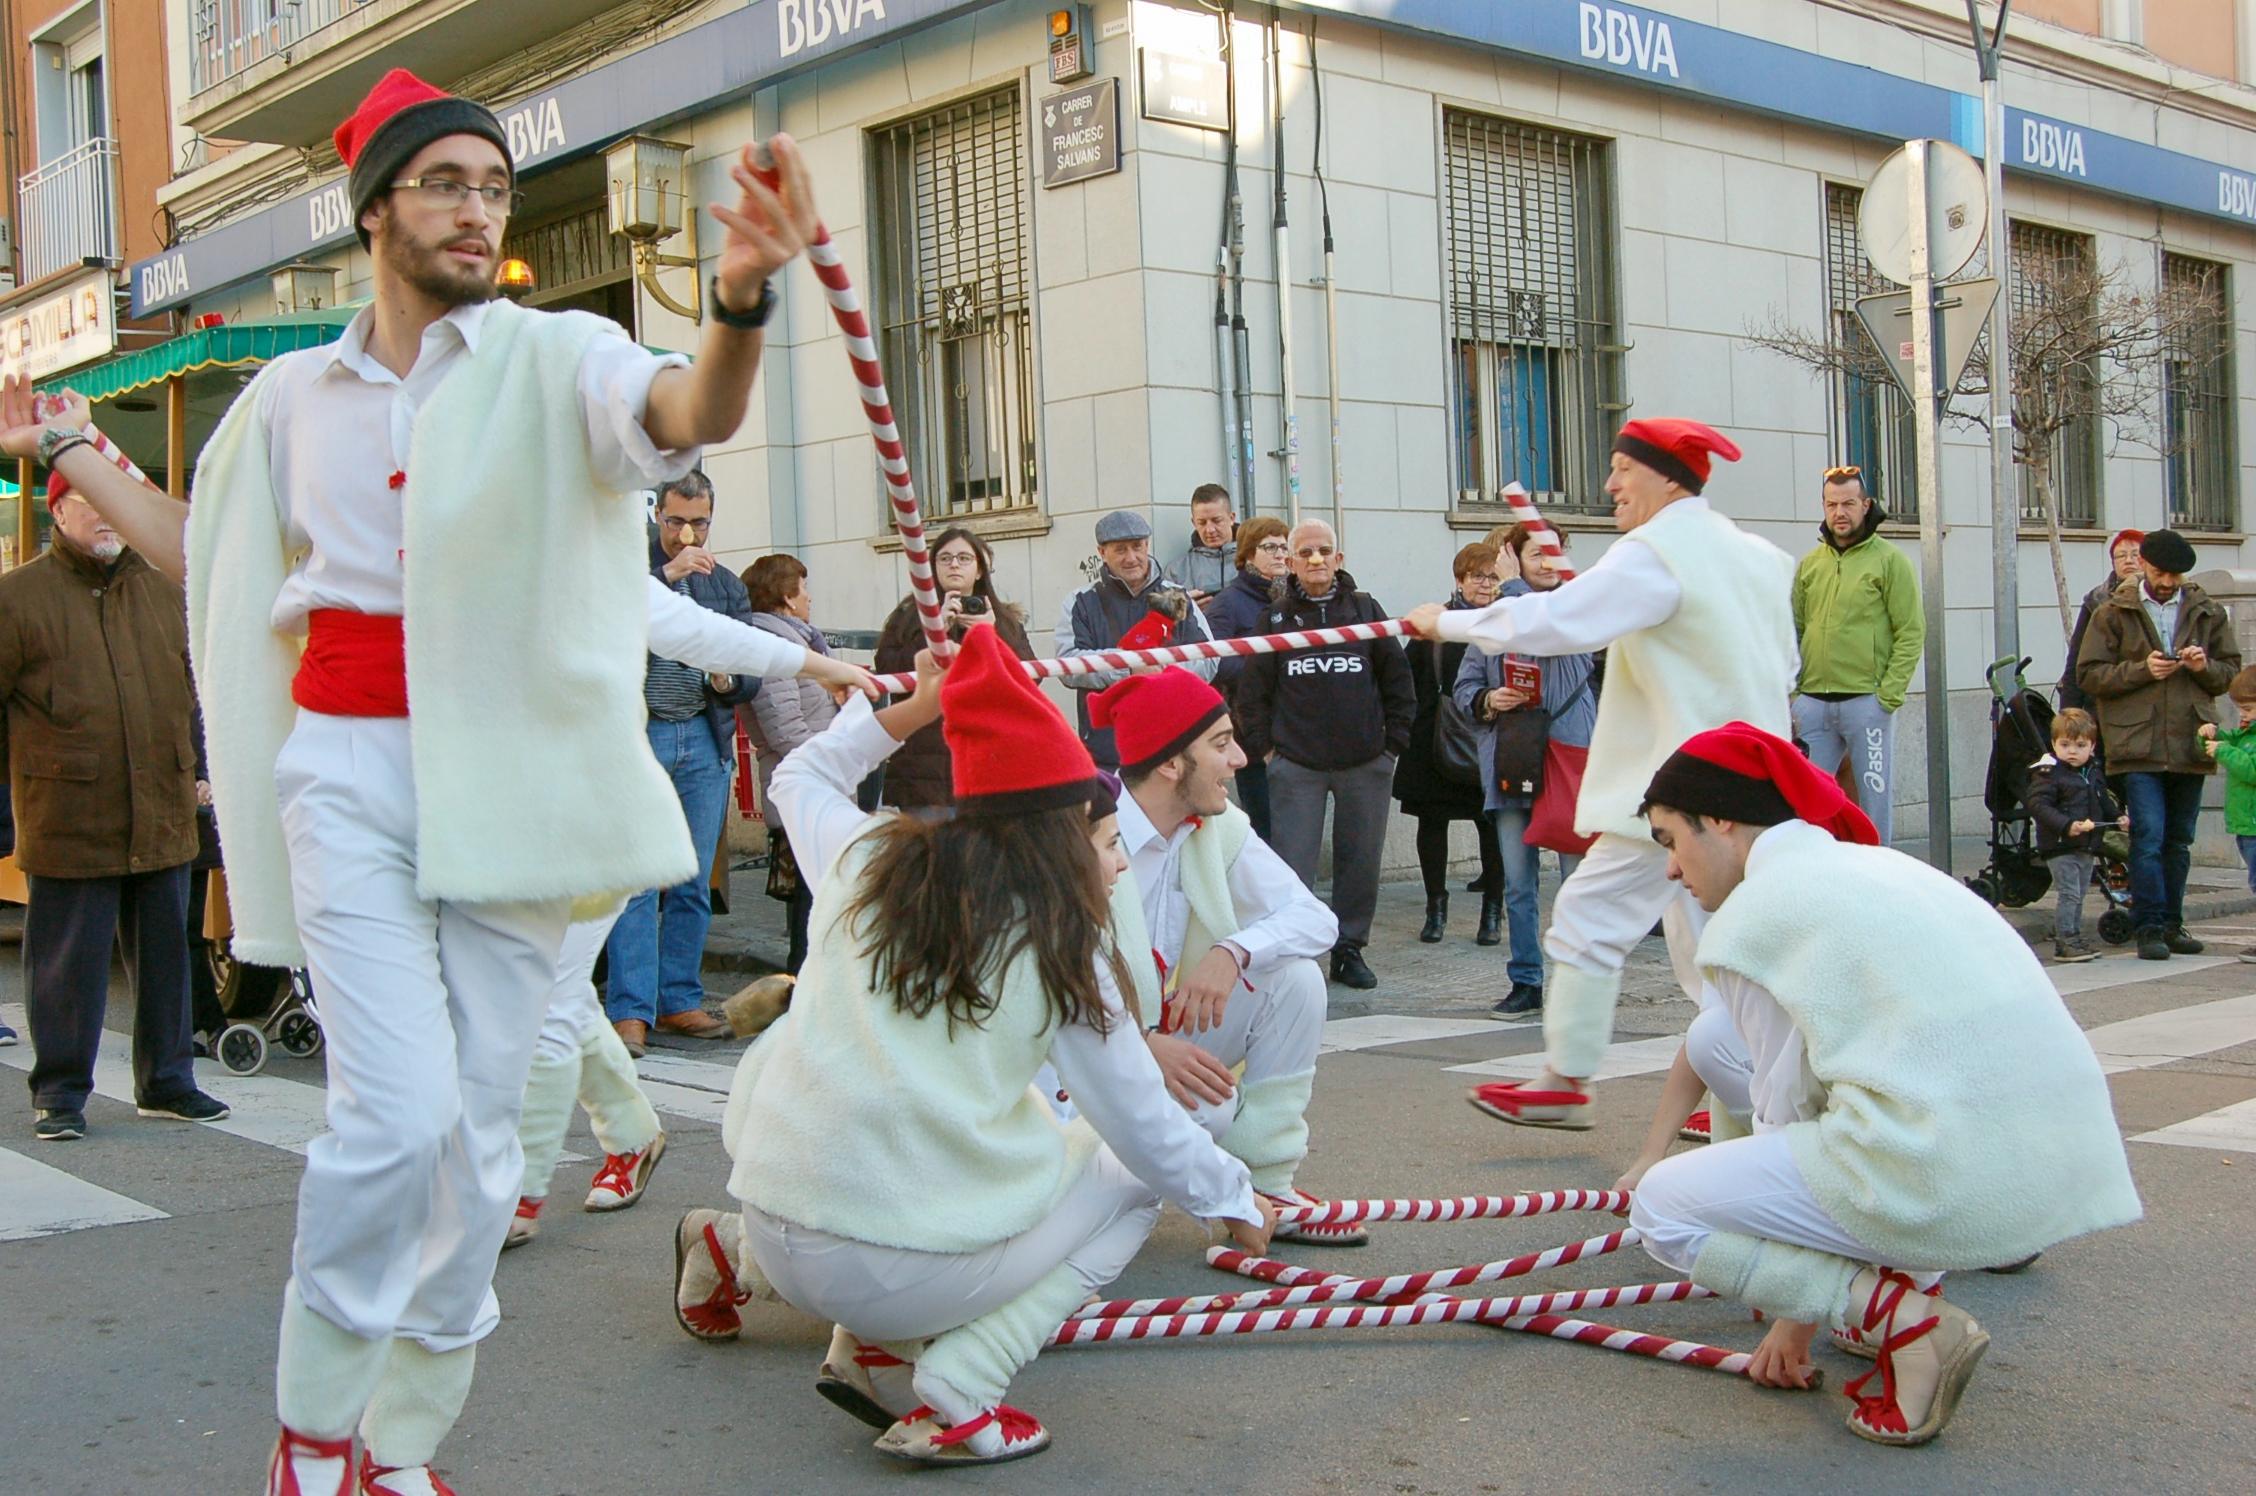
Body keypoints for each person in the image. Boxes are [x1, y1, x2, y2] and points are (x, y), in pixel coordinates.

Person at [4, 67, 821, 1495]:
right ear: (374, 205)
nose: (475, 207)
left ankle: (400, 1445)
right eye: (446, 181)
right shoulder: (286, 397)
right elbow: (213, 557)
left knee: (479, 1145)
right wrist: (74, 443)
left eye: (493, 185)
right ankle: (313, 1435)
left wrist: (742, 301)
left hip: (510, 784)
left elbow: (687, 410)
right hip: (346, 774)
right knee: (387, 1123)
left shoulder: (554, 355)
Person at [683, 625, 1275, 1466]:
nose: (1110, 862)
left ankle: (868, 1332)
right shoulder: (1065, 942)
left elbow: (800, 775)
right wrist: (1234, 1199)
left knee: (1017, 1117)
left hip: (775, 1223)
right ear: (1053, 830)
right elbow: (1140, 1120)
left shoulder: (869, 858)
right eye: (1093, 830)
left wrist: (914, 708)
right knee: (1131, 1173)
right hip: (893, 1266)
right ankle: (968, 1383)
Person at [1614, 724, 2141, 1446]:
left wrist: (1796, 1315)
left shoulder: (1760, 915)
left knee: (1663, 1208)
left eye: (1670, 838)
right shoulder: (1883, 868)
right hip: (2042, 1168)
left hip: (1947, 1179)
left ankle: (1912, 1325)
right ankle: (1903, 1290)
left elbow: (1787, 1115)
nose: (1671, 869)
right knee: (1732, 1049)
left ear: (1721, 819)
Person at [1405, 418, 1798, 1129]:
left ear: (1666, 477)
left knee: (1602, 923)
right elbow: (1785, 666)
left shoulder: (1653, 554)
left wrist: (1451, 623)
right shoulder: (1760, 556)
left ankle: (1577, 1079)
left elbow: (1559, 623)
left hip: (1687, 788)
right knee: (1713, 953)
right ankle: (1735, 1095)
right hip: (1754, 782)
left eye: (1622, 468)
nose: (1611, 484)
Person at [509, 578, 874, 1248]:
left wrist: (824, 666)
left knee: (546, 999)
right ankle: (631, 1135)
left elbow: (700, 630)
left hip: (599, 814)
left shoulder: (587, 546)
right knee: (547, 993)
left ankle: (514, 1190)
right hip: (501, 813)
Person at [1089, 667, 1361, 1244]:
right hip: (1082, 1060)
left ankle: (1266, 1181)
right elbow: (1046, 991)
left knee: (1293, 979)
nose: (1240, 758)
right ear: (1170, 764)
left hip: (1158, 1037)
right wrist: (1135, 1045)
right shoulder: (1085, 833)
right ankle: (1068, 1214)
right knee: (1207, 1112)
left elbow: (1317, 920)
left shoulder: (1218, 827)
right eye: (1220, 744)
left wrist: (1233, 951)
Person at [0, 468, 226, 1142]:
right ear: (57, 511)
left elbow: (196, 692)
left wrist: (205, 773)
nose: (106, 517)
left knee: (166, 956)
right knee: (67, 964)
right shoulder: (17, 597)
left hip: (162, 800)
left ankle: (169, 1081)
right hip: (70, 810)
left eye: (115, 506)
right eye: (89, 505)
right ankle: (61, 1093)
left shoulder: (166, 586)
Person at [603, 469, 754, 1053]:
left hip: (702, 734)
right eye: (674, 522)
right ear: (656, 516)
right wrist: (664, 578)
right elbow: (604, 626)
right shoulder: (628, 569)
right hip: (640, 737)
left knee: (692, 879)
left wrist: (726, 678)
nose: (686, 534)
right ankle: (630, 1010)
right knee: (638, 881)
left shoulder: (726, 587)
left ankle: (679, 1001)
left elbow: (747, 671)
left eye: (699, 523)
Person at [1235, 518, 1415, 991]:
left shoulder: (1365, 610)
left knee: (1360, 863)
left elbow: (1398, 681)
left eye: (1325, 551)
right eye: (1306, 552)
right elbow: (1252, 694)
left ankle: (1349, 949)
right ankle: (1295, 955)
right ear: (1290, 562)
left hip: (1365, 762)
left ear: (1339, 559)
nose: (1316, 560)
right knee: (1292, 865)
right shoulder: (1273, 620)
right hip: (1296, 766)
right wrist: (1268, 753)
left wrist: (1391, 746)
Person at [1454, 523, 1601, 1016]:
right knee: (1518, 882)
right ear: (1516, 556)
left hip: (1567, 758)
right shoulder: (1496, 620)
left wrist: (1513, 587)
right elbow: (1464, 686)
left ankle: (1578, 984)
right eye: (1534, 553)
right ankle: (1527, 980)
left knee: (1575, 882)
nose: (1545, 562)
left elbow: (1544, 629)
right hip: (1513, 756)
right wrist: (1487, 700)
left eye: (1552, 553)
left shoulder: (1575, 606)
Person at [2075, 528, 2239, 962]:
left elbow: (2229, 673)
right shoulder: (2112, 611)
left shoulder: (2205, 610)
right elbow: (2089, 674)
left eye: (2177, 576)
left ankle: (2172, 922)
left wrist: (2204, 667)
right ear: (2144, 565)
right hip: (2136, 741)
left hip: (2189, 738)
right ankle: (2147, 925)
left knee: (2178, 841)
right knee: (2147, 836)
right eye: (2162, 573)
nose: (2168, 582)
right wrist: (2142, 670)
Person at [1791, 465, 1923, 846]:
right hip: (1813, 704)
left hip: (1867, 703)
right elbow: (1794, 629)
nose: (1840, 513)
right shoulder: (1810, 564)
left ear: (1866, 505)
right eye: (1832, 505)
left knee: (1872, 805)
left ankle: (1879, 880)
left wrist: (1888, 697)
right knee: (1805, 805)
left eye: (1848, 503)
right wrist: (1796, 694)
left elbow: (1910, 630)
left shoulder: (1889, 560)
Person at [872, 526, 1035, 817]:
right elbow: (889, 670)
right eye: (945, 559)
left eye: (964, 558)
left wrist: (990, 633)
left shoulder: (1003, 620)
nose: (955, 565)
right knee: (931, 858)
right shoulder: (909, 616)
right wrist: (934, 632)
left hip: (989, 765)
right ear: (932, 569)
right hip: (924, 770)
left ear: (980, 570)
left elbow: (1029, 678)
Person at [1394, 544, 1506, 946]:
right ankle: (1435, 907)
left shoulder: (1508, 622)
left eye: (1493, 576)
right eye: (1477, 575)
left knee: (1493, 827)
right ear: (1458, 580)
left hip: (1492, 739)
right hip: (1435, 741)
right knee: (1432, 824)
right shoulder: (1435, 624)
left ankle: (1493, 910)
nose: (1485, 584)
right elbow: (1404, 678)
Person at [1056, 510, 1218, 767]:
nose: (1131, 557)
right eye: (1120, 549)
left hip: (1175, 746)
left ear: (1147, 546)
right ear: (1102, 552)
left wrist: (1161, 669)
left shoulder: (1178, 596)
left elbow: (1208, 659)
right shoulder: (1080, 602)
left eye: (1137, 547)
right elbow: (1067, 666)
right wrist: (1129, 668)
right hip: (1108, 752)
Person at [740, 552, 839, 975]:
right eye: (803, 587)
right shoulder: (775, 649)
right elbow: (784, 730)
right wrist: (836, 759)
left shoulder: (799, 641)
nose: (810, 597)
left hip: (817, 780)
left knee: (818, 888)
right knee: (808, 893)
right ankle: (804, 979)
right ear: (786, 595)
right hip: (803, 781)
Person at [1203, 515, 1290, 839]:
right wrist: (1268, 671)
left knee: (1297, 826)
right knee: (1264, 824)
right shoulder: (1228, 602)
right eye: (1270, 547)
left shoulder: (1294, 597)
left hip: (1296, 726)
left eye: (1284, 546)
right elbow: (1216, 662)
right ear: (1248, 553)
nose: (1280, 554)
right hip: (1252, 729)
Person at [2024, 707, 2124, 965]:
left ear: (2092, 747)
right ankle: (2065, 940)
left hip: (2086, 844)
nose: (2072, 751)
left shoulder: (2091, 771)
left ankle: (2075, 936)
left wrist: (2118, 817)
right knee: (2069, 893)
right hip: (2060, 845)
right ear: (2054, 745)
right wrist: (2067, 825)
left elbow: (2101, 799)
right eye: (2065, 744)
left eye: (2080, 745)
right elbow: (2038, 805)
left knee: (2078, 893)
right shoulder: (2049, 774)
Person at [2197, 666, 2256, 962]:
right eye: (2238, 708)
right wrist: (2211, 736)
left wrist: (2223, 751)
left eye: (2247, 708)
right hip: (2246, 825)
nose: (2242, 715)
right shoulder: (2247, 734)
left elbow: (2251, 769)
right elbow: (2230, 741)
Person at [2058, 528, 2144, 714]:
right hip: (2102, 703)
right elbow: (2077, 658)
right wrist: (2069, 709)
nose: (2128, 561)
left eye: (2135, 554)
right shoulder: (2096, 600)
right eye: (2121, 556)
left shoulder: (2156, 598)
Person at [1171, 483, 1236, 606]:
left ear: (1231, 518)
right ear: (1193, 522)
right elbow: (1165, 620)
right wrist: (1190, 614)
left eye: (1217, 521)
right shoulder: (1177, 570)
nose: (1210, 529)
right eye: (1202, 522)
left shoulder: (1256, 560)